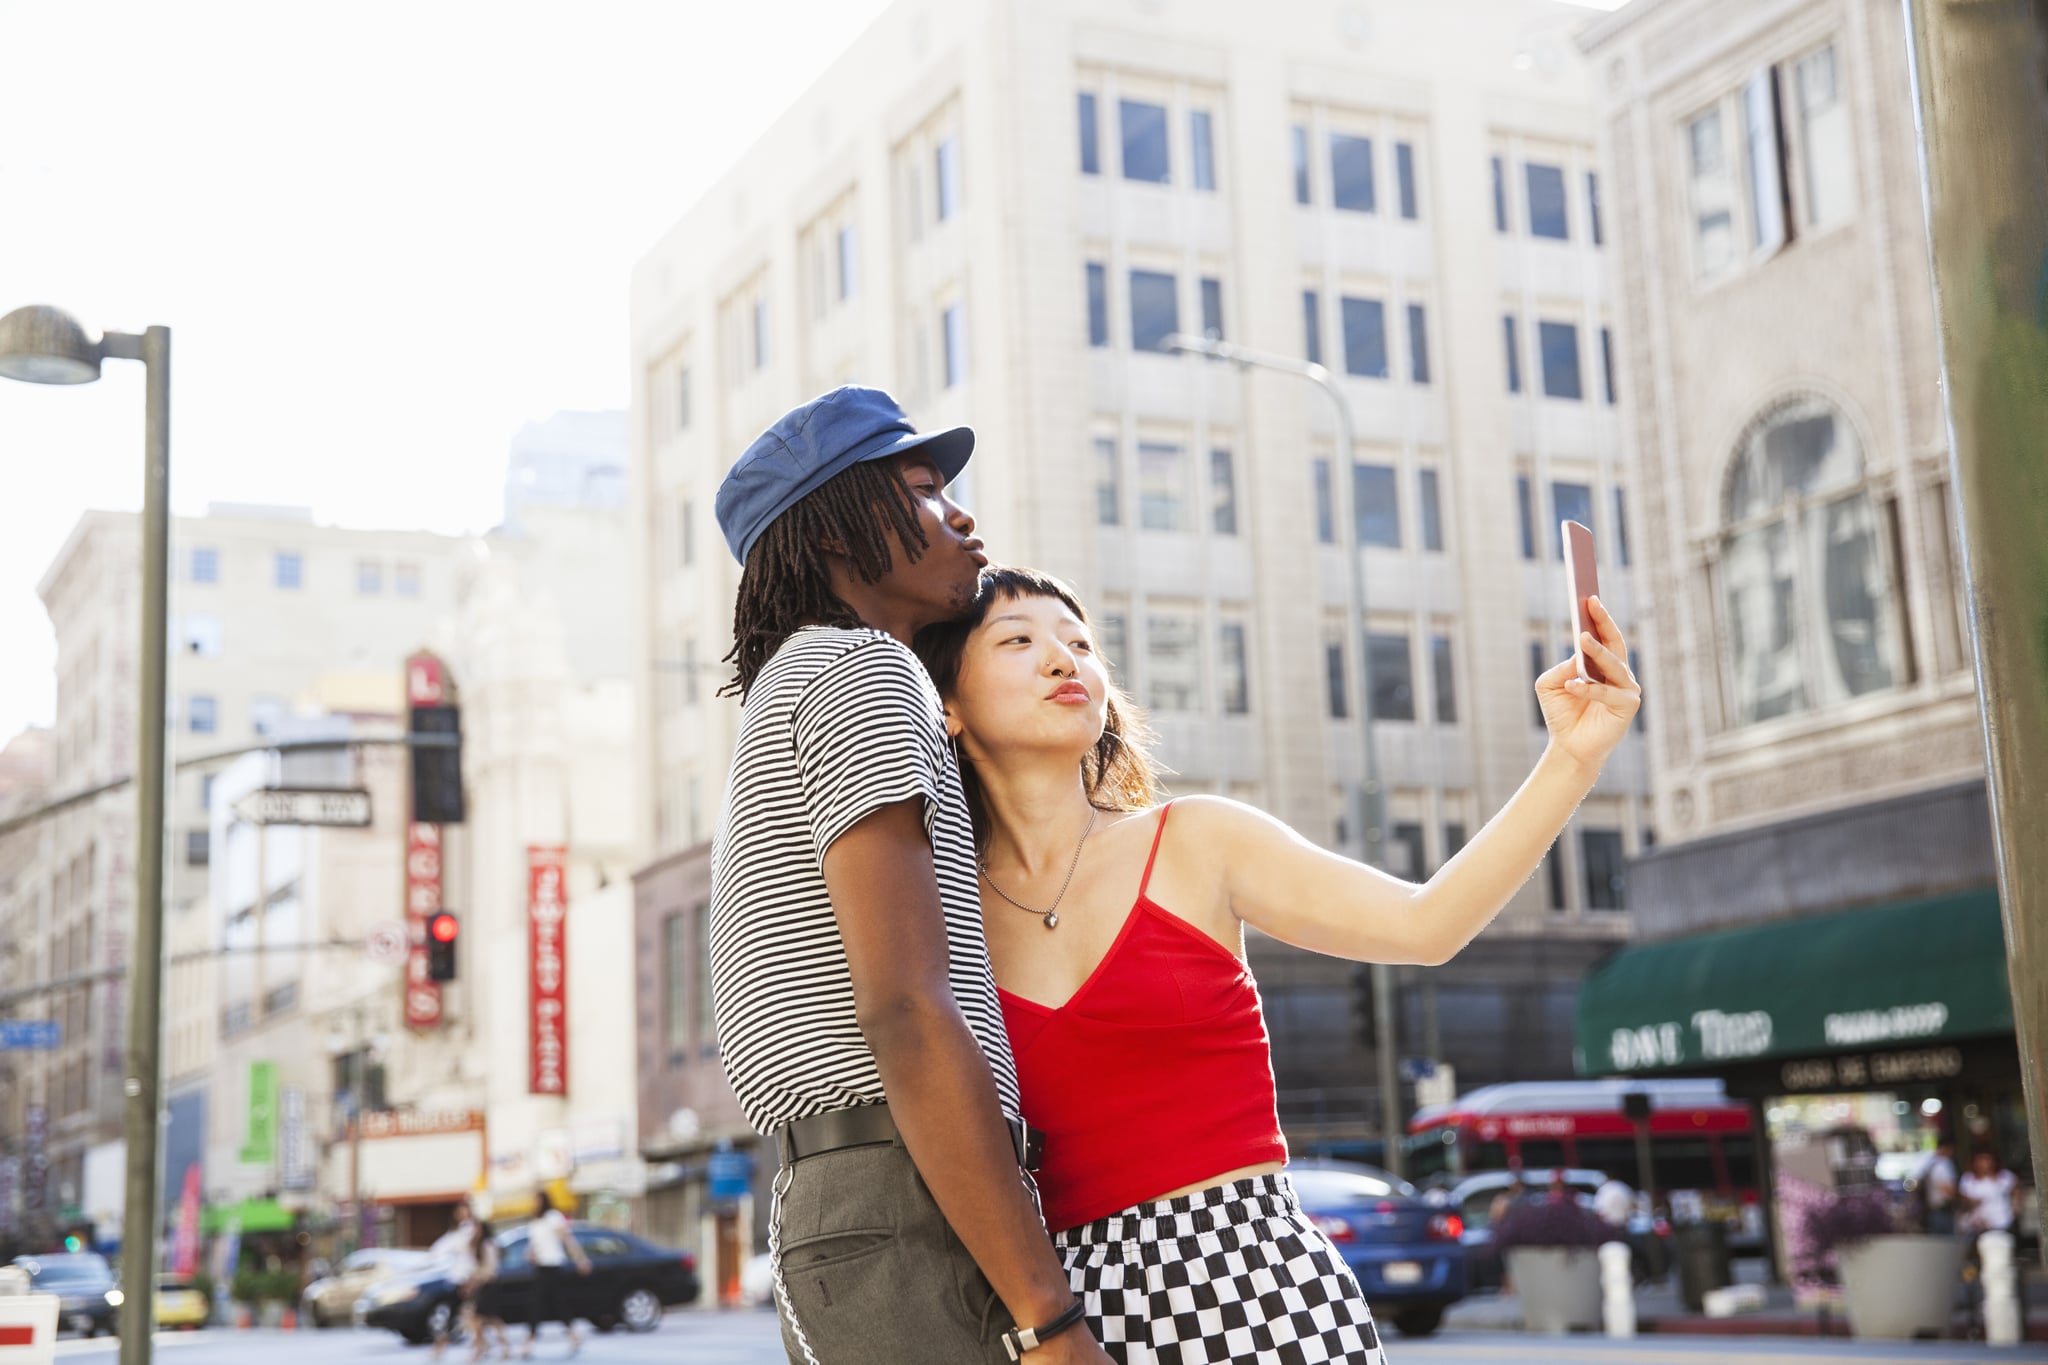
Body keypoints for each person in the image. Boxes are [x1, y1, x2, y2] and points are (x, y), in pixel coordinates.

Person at [915, 566, 1642, 1363]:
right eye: (1019, 640)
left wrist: (1572, 758)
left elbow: (1425, 924)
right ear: (946, 703)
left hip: (1257, 1285)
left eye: (1080, 642)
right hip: (1064, 1319)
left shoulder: (1198, 839)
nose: (1064, 659)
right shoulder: (937, 914)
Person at [709, 388, 1113, 1365]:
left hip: (843, 1200)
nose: (962, 516)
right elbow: (904, 1010)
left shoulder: (793, 681)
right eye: (927, 492)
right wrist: (1049, 1319)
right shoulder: (862, 672)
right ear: (838, 533)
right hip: (900, 1193)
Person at [521, 1189, 590, 1359]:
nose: (534, 1203)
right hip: (540, 1267)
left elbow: (567, 1239)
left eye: (536, 1200)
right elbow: (533, 1245)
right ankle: (531, 1342)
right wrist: (529, 1254)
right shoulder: (535, 1222)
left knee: (557, 1303)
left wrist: (580, 1259)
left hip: (553, 1266)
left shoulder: (553, 1217)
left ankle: (571, 1337)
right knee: (537, 1304)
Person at [429, 1201, 479, 1362]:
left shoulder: (471, 1230)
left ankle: (480, 1348)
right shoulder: (456, 1233)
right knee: (450, 1317)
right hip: (456, 1279)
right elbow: (439, 1249)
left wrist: (471, 1279)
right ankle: (440, 1350)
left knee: (474, 1317)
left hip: (468, 1280)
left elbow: (473, 1257)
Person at [465, 1214, 510, 1363]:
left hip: (489, 1285)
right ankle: (499, 1347)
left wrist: (476, 1281)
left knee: (480, 1318)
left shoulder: (488, 1245)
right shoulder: (476, 1245)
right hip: (482, 1285)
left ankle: (481, 1348)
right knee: (489, 1319)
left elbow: (490, 1270)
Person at [1960, 1149, 2019, 1238]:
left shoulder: (2004, 1176)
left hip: (2001, 1223)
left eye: (1987, 1160)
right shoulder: (1968, 1179)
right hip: (1977, 1226)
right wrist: (1971, 1202)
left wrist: (2015, 1208)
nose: (1984, 1164)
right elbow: (1963, 1200)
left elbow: (2016, 1190)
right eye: (1980, 1160)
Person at [1916, 1137, 1960, 1235]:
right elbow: (1947, 1189)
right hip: (1943, 1210)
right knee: (1947, 1244)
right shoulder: (1943, 1164)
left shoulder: (1928, 1162)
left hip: (1933, 1210)